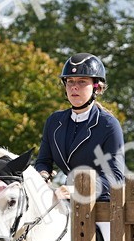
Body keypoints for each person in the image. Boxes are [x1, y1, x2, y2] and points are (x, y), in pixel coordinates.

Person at [35, 52, 125, 204]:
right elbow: (43, 160)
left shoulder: (108, 124)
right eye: (70, 81)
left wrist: (76, 189)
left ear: (97, 87)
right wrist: (43, 175)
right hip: (68, 201)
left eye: (82, 81)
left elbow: (115, 176)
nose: (74, 87)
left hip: (104, 205)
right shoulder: (54, 122)